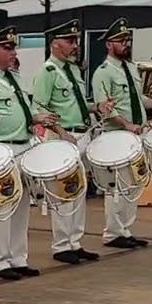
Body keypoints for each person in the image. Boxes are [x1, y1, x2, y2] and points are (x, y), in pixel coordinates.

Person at [0, 25, 58, 280]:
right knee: (1, 207)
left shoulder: (13, 77)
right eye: (6, 47)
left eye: (13, 47)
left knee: (21, 207)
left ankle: (19, 258)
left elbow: (22, 112)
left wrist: (37, 118)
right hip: (1, 149)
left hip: (23, 144)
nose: (12, 52)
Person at [91, 17, 152, 249]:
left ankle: (125, 229)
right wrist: (127, 124)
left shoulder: (131, 67)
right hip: (116, 134)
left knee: (135, 182)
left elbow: (139, 100)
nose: (125, 44)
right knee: (117, 185)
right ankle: (113, 231)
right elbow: (105, 107)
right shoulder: (102, 73)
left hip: (137, 133)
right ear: (109, 44)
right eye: (120, 40)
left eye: (127, 39)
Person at [30, 19, 109, 265]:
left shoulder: (72, 70)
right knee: (63, 192)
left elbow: (75, 102)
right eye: (69, 41)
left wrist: (97, 106)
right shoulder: (47, 72)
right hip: (61, 136)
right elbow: (39, 107)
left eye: (75, 40)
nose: (75, 45)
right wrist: (60, 131)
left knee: (79, 191)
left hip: (80, 134)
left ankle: (75, 240)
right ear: (55, 44)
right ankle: (62, 244)